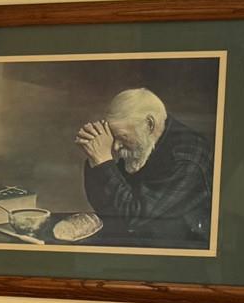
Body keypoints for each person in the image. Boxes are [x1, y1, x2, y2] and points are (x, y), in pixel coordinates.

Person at [73, 87, 213, 247]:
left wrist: (103, 161)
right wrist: (95, 159)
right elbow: (107, 208)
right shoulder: (141, 144)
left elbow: (135, 218)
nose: (116, 147)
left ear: (149, 124)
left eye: (122, 136)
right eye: (113, 137)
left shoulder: (187, 156)